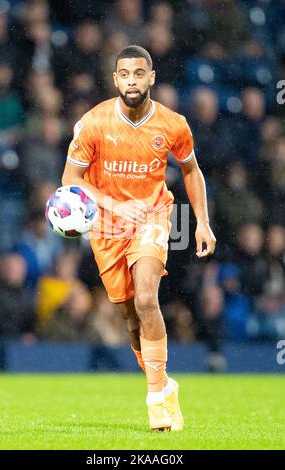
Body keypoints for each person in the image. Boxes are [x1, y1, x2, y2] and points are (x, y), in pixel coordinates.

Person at [61, 45, 216, 431]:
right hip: (107, 227)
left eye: (139, 73)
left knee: (147, 297)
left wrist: (202, 222)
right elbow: (70, 180)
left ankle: (155, 397)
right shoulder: (94, 123)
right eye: (124, 74)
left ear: (152, 77)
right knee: (131, 317)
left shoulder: (173, 124)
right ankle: (163, 383)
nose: (132, 81)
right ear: (115, 80)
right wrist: (113, 205)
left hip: (152, 215)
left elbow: (192, 171)